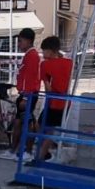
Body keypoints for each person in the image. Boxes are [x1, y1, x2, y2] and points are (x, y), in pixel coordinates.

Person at [0, 27, 42, 159]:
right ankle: (14, 150)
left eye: (21, 41)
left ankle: (28, 152)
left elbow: (30, 78)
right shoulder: (29, 56)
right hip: (24, 94)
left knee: (28, 124)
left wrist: (25, 97)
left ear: (29, 41)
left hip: (28, 95)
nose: (18, 44)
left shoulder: (32, 56)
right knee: (18, 122)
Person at [36, 35, 74, 163]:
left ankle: (42, 155)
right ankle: (49, 149)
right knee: (47, 127)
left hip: (53, 101)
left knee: (45, 127)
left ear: (50, 51)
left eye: (44, 51)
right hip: (65, 102)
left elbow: (48, 88)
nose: (42, 54)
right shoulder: (69, 63)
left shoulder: (45, 65)